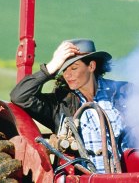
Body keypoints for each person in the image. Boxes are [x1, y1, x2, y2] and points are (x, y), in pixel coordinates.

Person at [10, 38, 132, 173]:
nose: (68, 75)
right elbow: (20, 96)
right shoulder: (60, 104)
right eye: (63, 69)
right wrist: (51, 67)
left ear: (91, 66)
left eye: (74, 68)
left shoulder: (124, 93)